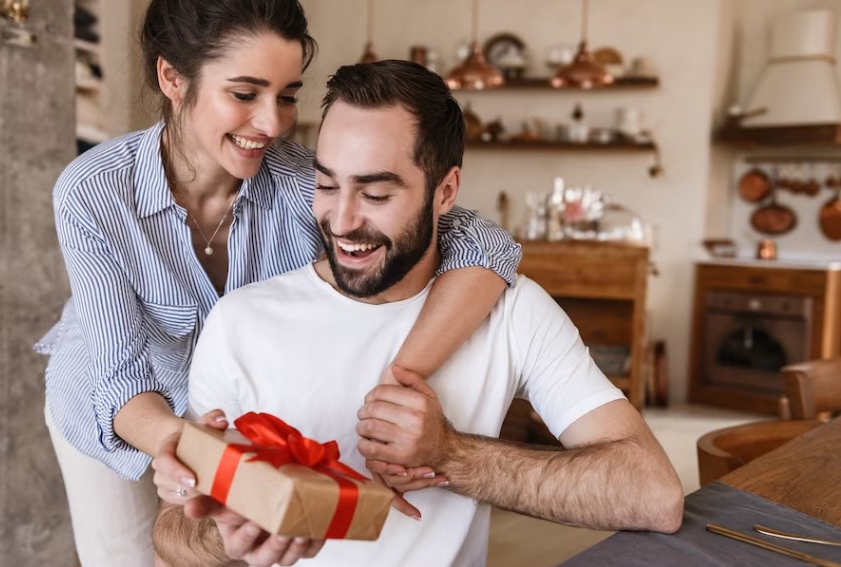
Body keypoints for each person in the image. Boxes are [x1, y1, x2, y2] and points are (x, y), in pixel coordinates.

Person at [34, 1, 521, 565]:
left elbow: (486, 244)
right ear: (172, 78)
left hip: (234, 413)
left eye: (287, 96)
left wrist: (397, 381)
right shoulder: (93, 192)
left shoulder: (300, 184)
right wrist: (181, 446)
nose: (272, 123)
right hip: (113, 408)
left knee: (234, 552)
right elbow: (118, 374)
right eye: (245, 95)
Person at [152, 60, 683, 567]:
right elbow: (172, 540)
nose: (340, 220)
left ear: (445, 191)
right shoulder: (242, 321)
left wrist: (451, 456)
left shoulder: (512, 311)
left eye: (377, 193)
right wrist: (223, 530)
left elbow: (654, 494)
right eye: (327, 184)